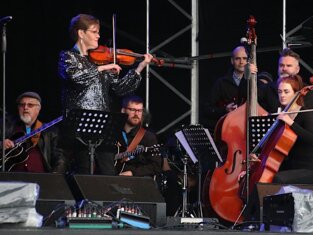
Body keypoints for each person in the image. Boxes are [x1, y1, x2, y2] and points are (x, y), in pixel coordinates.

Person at [58, 14, 153, 175]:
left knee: (108, 170)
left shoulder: (100, 61)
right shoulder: (68, 57)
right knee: (84, 169)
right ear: (81, 33)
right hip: (78, 126)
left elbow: (120, 89)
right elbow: (77, 77)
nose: (99, 36)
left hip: (102, 125)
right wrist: (102, 69)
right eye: (94, 32)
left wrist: (139, 68)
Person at [117, 95, 181, 215]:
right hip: (113, 178)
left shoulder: (148, 137)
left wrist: (132, 173)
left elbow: (155, 166)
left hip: (138, 181)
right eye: (132, 110)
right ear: (123, 111)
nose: (136, 114)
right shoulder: (114, 133)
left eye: (139, 111)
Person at [253, 75, 313, 184]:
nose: (282, 95)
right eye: (280, 92)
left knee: (277, 179)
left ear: (296, 93)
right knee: (255, 179)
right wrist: (257, 156)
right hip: (287, 170)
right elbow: (271, 147)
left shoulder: (305, 114)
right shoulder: (280, 117)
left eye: (286, 92)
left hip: (308, 170)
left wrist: (291, 122)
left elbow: (312, 139)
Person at [1, 92, 66, 173]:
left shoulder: (50, 131)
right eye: (22, 105)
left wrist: (55, 177)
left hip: (40, 179)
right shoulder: (6, 126)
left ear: (38, 109)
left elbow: (59, 157)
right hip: (11, 179)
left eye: (30, 105)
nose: (25, 107)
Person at [204, 45, 258, 129]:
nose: (241, 62)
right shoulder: (221, 83)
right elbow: (207, 109)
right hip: (228, 128)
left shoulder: (254, 81)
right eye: (238, 59)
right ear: (232, 61)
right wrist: (224, 110)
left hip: (249, 128)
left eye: (244, 58)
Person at [260, 48, 313, 114]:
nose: (284, 69)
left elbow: (309, 120)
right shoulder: (268, 88)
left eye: (289, 66)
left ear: (297, 69)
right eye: (281, 65)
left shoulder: (307, 91)